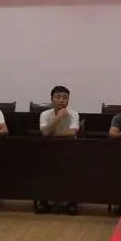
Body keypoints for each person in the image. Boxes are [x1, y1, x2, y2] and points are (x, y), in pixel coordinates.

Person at [36, 86, 80, 215]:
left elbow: (72, 133)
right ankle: (43, 201)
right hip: (48, 149)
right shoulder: (45, 114)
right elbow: (45, 133)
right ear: (52, 99)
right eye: (58, 97)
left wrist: (52, 133)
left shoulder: (74, 114)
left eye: (65, 97)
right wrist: (59, 117)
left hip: (69, 149)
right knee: (41, 168)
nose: (61, 100)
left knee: (73, 170)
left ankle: (72, 202)